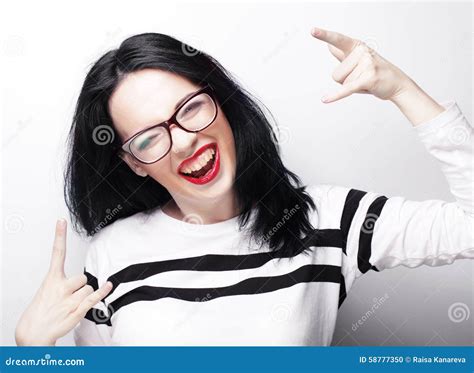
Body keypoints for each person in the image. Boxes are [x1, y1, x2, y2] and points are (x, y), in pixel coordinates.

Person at [15, 27, 473, 346]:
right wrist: (31, 350)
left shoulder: (328, 222)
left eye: (190, 109)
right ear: (134, 162)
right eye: (150, 137)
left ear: (224, 103)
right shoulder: (112, 254)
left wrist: (403, 91)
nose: (184, 141)